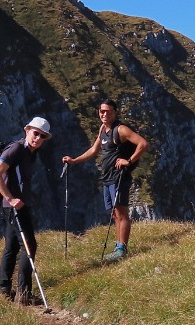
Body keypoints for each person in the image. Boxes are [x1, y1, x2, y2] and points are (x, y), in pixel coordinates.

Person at [62, 99, 149, 262]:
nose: (104, 114)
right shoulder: (103, 129)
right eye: (101, 111)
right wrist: (74, 160)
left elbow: (143, 144)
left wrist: (128, 161)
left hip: (119, 177)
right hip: (107, 178)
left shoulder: (120, 130)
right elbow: (94, 150)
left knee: (122, 213)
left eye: (107, 111)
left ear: (115, 112)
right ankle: (118, 246)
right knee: (114, 213)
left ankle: (122, 249)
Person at [0, 116, 51, 301]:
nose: (38, 138)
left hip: (16, 205)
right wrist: (11, 198)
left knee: (11, 246)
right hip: (15, 206)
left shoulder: (31, 153)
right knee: (29, 245)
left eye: (42, 136)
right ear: (27, 131)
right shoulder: (17, 148)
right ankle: (23, 295)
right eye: (36, 133)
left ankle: (3, 288)